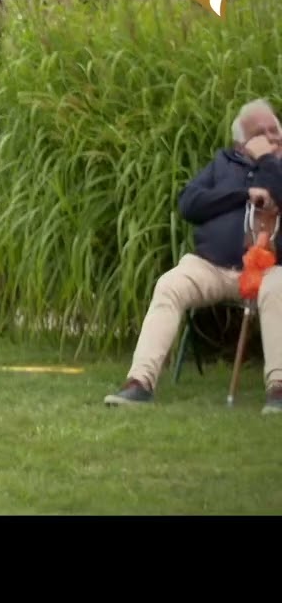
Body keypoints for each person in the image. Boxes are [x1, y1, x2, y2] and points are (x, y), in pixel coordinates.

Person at [106, 99, 282, 413]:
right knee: (170, 284)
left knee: (278, 288)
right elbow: (190, 203)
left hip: (272, 270)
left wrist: (268, 160)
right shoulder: (223, 164)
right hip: (213, 266)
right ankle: (139, 383)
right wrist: (242, 194)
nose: (272, 136)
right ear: (241, 143)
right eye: (261, 133)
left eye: (275, 129)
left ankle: (278, 389)